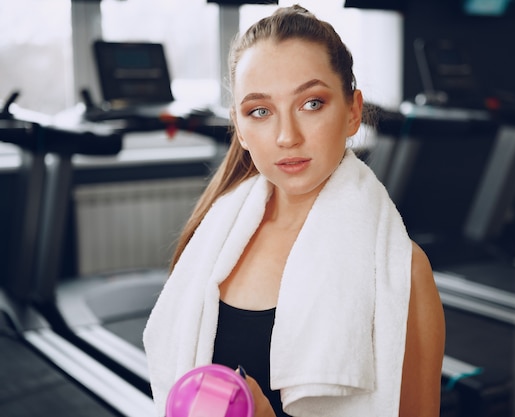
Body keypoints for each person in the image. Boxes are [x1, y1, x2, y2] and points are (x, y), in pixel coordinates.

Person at [143, 5, 445, 417]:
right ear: (241, 129)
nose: (287, 136)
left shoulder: (403, 272)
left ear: (353, 111)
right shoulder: (212, 242)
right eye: (260, 112)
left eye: (312, 104)